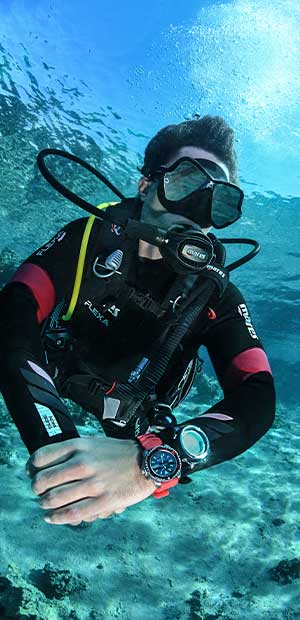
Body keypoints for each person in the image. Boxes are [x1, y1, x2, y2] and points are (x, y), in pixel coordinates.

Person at [0, 116, 275, 526]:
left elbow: (258, 396)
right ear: (146, 186)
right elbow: (13, 312)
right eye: (185, 183)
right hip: (58, 372)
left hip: (137, 413)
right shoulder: (87, 239)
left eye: (217, 201)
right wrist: (60, 451)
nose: (196, 211)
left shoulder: (215, 294)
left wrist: (151, 460)